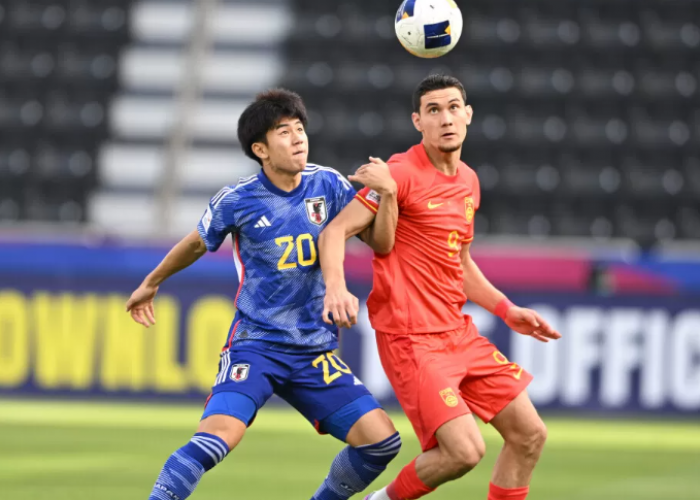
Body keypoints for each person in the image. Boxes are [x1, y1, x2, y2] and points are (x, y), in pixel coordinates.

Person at [126, 89, 402, 500]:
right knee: (217, 439)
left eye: (300, 128)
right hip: (256, 345)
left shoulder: (328, 184)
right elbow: (197, 242)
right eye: (284, 132)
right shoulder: (237, 199)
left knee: (381, 443)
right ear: (261, 149)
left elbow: (380, 242)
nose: (298, 138)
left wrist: (389, 195)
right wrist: (152, 281)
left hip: (313, 351)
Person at [318, 74, 561, 500]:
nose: (445, 118)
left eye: (453, 108)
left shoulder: (468, 181)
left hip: (458, 332)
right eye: (434, 110)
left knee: (529, 435)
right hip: (412, 340)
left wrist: (507, 310)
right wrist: (335, 288)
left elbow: (460, 260)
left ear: (468, 115)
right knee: (464, 451)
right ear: (418, 121)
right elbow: (334, 232)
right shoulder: (399, 174)